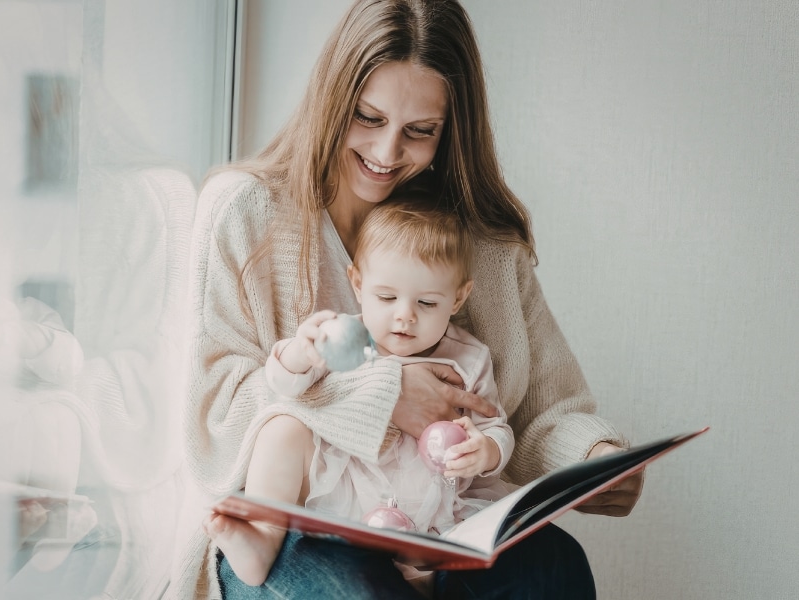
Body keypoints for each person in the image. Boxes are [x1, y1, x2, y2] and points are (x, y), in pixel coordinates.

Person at [180, 1, 645, 598]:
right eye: (366, 117)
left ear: (451, 129)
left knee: (554, 565)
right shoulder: (244, 210)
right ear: (331, 100)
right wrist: (383, 394)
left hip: (436, 522)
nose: (385, 152)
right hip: (291, 523)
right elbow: (213, 417)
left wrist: (595, 458)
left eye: (419, 131)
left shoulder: (479, 242)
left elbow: (539, 412)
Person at [213, 199, 517, 589]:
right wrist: (300, 353)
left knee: (440, 572)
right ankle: (262, 537)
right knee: (281, 427)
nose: (404, 315)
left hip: (427, 512)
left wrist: (486, 451)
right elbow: (284, 387)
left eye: (427, 303)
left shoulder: (469, 359)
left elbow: (494, 425)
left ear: (457, 298)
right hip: (344, 493)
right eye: (387, 298)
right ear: (358, 284)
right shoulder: (348, 338)